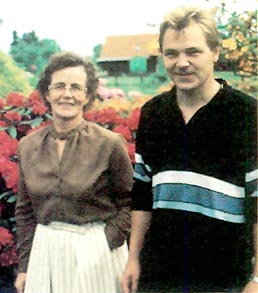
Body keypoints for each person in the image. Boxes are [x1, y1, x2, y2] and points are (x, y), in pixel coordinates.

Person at [121, 5, 257, 293]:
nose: (181, 62)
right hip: (159, 276)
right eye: (171, 53)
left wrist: (257, 278)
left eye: (193, 52)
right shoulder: (153, 114)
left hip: (226, 278)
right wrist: (133, 259)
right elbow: (143, 195)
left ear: (215, 52)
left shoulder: (246, 113)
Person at [14, 51, 133, 293]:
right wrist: (25, 267)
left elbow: (132, 202)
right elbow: (25, 211)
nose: (67, 94)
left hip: (98, 253)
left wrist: (105, 240)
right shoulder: (28, 146)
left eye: (76, 87)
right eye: (59, 86)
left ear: (87, 95)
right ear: (47, 93)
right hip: (46, 253)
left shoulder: (108, 143)